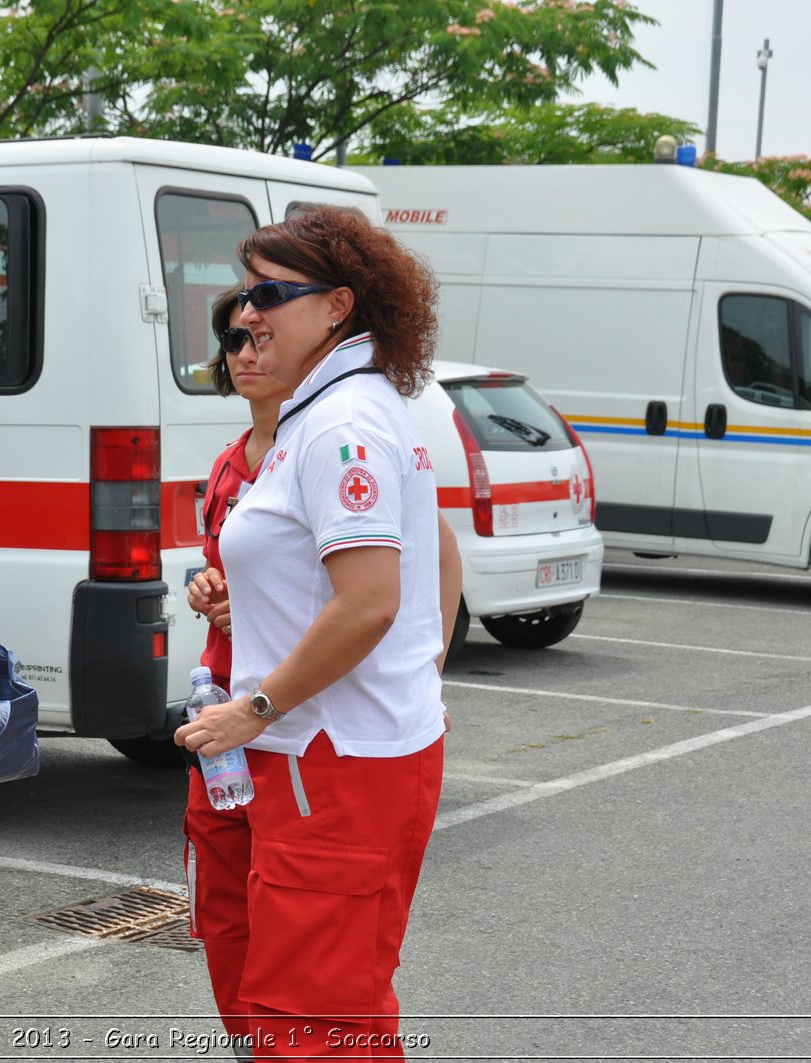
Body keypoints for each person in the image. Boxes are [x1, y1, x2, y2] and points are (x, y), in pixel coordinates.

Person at [174, 205, 453, 1060]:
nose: (245, 313)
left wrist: (257, 705)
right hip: (294, 753)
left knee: (313, 1022)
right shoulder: (321, 411)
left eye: (270, 292)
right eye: (243, 292)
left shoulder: (343, 422)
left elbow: (370, 601)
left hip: (330, 761)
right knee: (277, 999)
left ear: (337, 308)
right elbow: (428, 559)